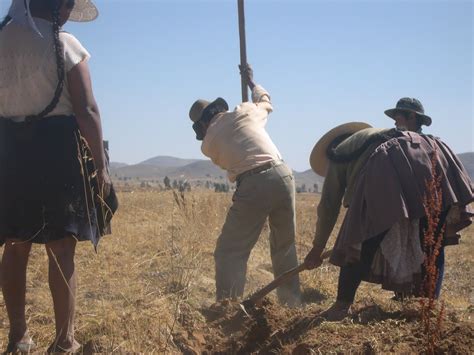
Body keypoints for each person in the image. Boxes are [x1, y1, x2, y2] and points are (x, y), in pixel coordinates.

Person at [0, 0, 116, 352]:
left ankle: (18, 337)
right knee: (61, 249)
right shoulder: (64, 44)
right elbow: (87, 109)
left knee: (16, 245)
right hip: (56, 152)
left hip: (9, 151)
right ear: (54, 5)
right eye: (65, 4)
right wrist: (101, 166)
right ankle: (64, 341)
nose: (67, 11)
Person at [304, 98, 473, 321]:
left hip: (395, 171)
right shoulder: (388, 137)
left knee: (360, 239)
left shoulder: (341, 152)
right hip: (438, 158)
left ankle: (341, 306)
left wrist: (317, 248)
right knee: (431, 243)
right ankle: (426, 306)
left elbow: (329, 204)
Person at [188, 65, 302, 306]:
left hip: (253, 182)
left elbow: (233, 157)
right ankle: (291, 304)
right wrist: (251, 83)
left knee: (230, 252)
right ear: (219, 109)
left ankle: (228, 308)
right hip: (283, 174)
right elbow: (266, 101)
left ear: (201, 126)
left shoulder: (208, 144)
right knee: (285, 247)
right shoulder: (246, 111)